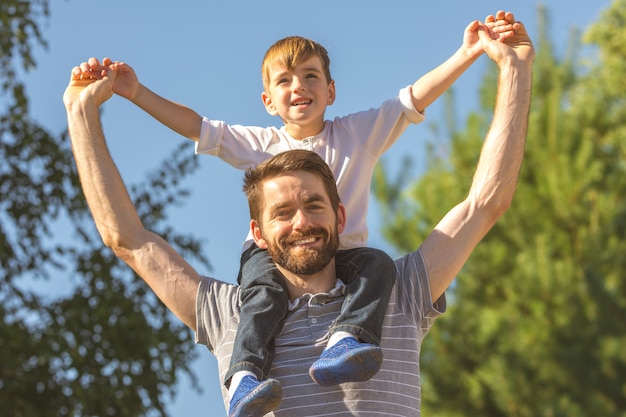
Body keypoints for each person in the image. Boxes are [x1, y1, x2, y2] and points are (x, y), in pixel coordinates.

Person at [64, 10, 534, 417]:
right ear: (258, 232)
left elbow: (485, 201)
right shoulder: (235, 311)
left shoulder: (397, 292)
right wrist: (82, 112)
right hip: (258, 301)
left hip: (366, 286)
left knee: (374, 264)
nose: (301, 221)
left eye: (314, 205)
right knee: (264, 298)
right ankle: (244, 375)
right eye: (282, 211)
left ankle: (348, 340)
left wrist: (514, 68)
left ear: (340, 215)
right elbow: (128, 237)